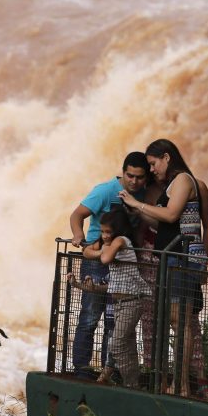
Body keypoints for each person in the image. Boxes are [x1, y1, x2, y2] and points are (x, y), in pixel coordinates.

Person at [120, 139, 208, 398]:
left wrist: (137, 203)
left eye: (153, 164)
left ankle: (181, 385)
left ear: (166, 157)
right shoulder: (173, 185)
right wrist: (135, 210)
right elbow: (165, 224)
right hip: (172, 259)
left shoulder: (184, 180)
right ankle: (174, 382)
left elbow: (172, 216)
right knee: (176, 321)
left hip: (181, 260)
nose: (152, 170)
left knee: (181, 322)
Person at [68, 152, 150, 379]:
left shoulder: (143, 194)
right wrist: (78, 234)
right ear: (123, 173)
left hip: (122, 263)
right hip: (97, 259)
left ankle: (109, 370)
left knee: (113, 320)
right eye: (130, 176)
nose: (134, 182)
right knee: (90, 315)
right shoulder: (105, 191)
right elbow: (77, 214)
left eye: (140, 177)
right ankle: (82, 369)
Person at [70, 209, 151, 389]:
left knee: (116, 343)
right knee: (127, 344)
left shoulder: (121, 241)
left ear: (119, 231)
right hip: (120, 303)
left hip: (132, 302)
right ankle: (134, 383)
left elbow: (105, 259)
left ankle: (130, 384)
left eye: (108, 232)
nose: (104, 236)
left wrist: (101, 249)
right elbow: (86, 252)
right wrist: (85, 284)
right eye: (102, 231)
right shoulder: (109, 243)